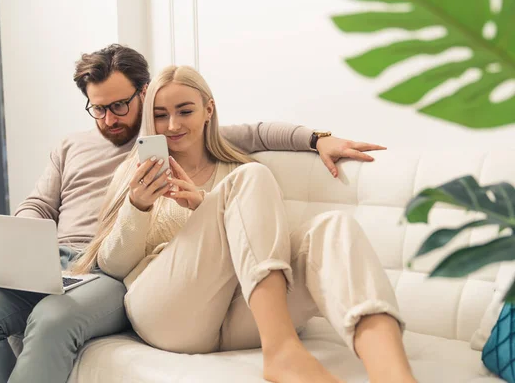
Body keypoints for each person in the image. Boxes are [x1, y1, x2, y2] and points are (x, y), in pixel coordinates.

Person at [0, 44, 387, 383]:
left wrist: (319, 137)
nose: (110, 118)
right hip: (54, 258)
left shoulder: (172, 136)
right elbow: (40, 203)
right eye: (97, 108)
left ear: (144, 94)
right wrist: (24, 236)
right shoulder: (70, 146)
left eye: (120, 105)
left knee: (54, 318)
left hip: (105, 272)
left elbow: (259, 132)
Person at [77, 65, 417, 383]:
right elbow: (113, 265)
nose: (172, 126)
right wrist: (139, 206)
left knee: (333, 228)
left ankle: (394, 375)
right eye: (160, 115)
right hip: (166, 316)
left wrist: (204, 208)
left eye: (185, 111)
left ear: (208, 110)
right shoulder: (136, 175)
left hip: (240, 314)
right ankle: (282, 349)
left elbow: (262, 141)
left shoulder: (234, 168)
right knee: (250, 176)